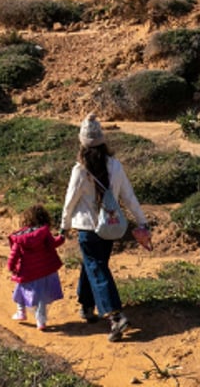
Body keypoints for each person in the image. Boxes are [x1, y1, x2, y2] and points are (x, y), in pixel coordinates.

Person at [61, 112, 149, 342]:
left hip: (88, 230)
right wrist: (142, 221)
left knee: (97, 268)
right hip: (109, 228)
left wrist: (64, 225)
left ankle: (115, 316)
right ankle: (87, 305)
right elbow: (129, 197)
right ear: (103, 142)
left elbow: (70, 200)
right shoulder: (115, 166)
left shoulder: (80, 170)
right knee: (93, 264)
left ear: (82, 144)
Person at [7, 204, 65, 331]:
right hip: (44, 271)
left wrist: (11, 267)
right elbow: (53, 244)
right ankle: (41, 322)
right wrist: (62, 237)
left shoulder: (19, 238)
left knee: (20, 291)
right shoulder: (44, 233)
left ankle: (21, 312)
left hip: (27, 273)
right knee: (41, 299)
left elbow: (14, 255)